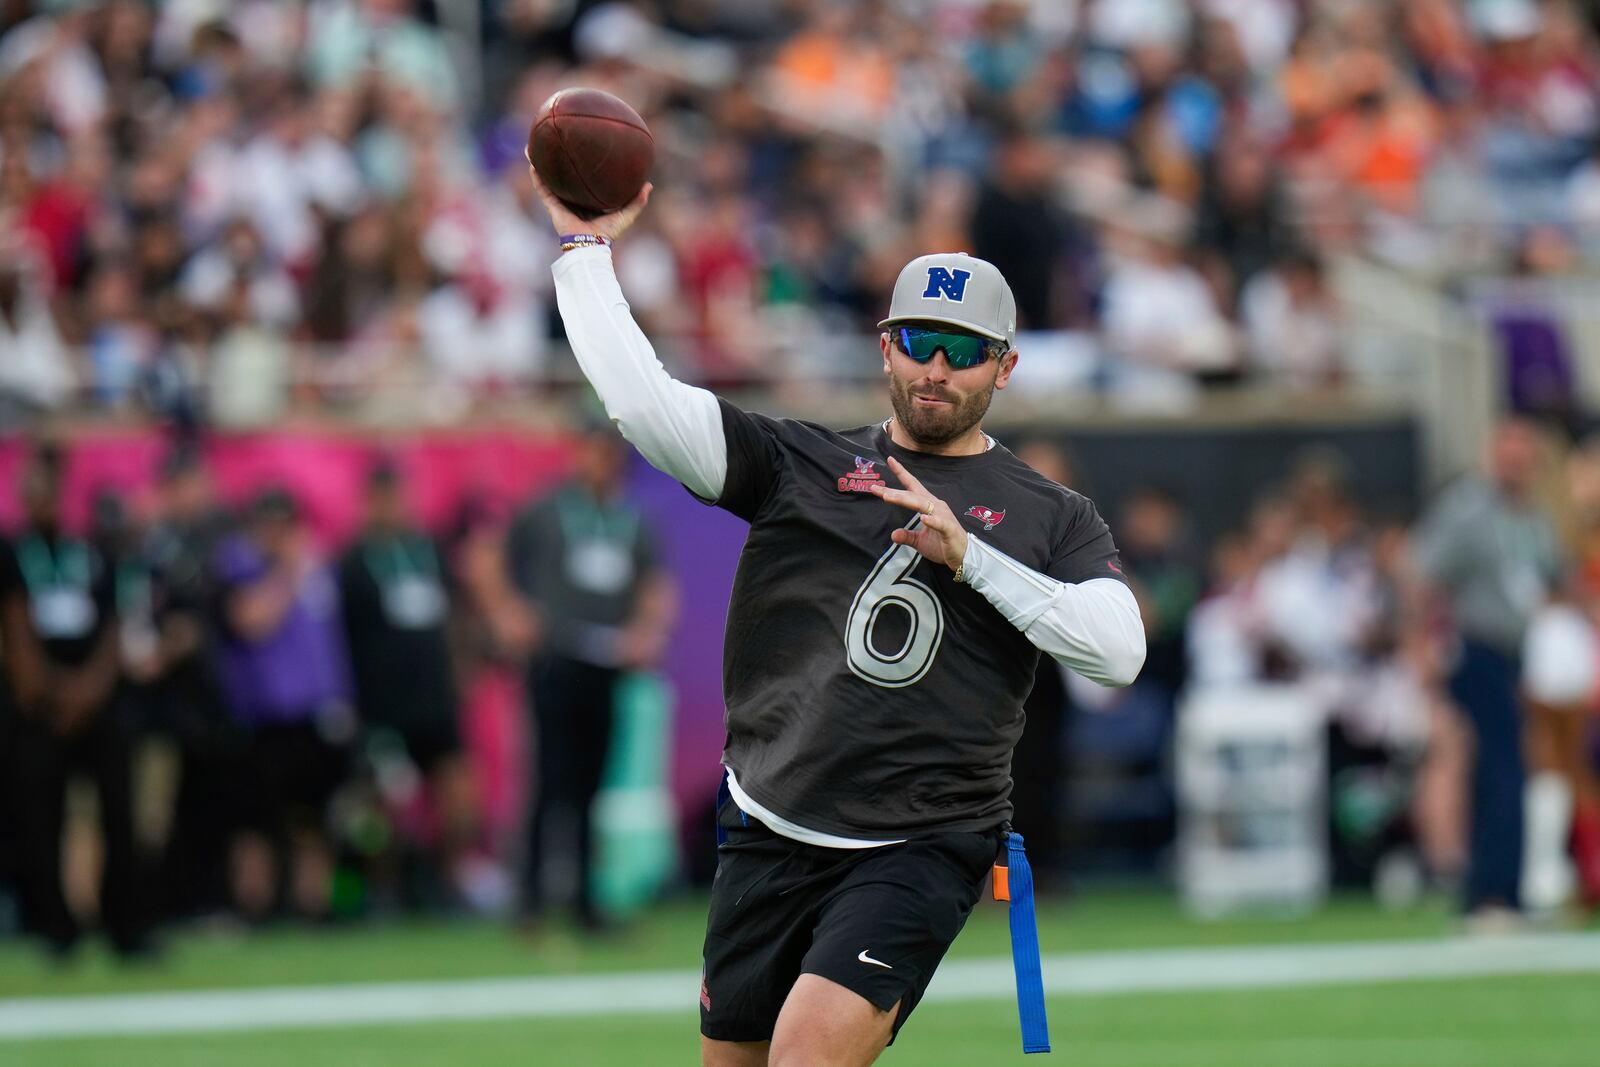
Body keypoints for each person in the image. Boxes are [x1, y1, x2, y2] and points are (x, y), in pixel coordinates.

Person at [528, 173, 1144, 1065]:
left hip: (920, 838)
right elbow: (644, 404)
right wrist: (586, 251)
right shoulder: (802, 462)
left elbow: (1118, 649)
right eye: (919, 342)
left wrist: (972, 557)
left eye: (963, 350)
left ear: (1005, 366)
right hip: (771, 819)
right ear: (885, 345)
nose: (936, 368)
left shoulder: (1052, 513)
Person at [507, 417, 676, 931]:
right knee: (549, 782)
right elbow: (489, 558)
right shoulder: (547, 510)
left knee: (591, 786)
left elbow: (654, 585)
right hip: (556, 657)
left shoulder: (633, 518)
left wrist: (646, 632)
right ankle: (531, 901)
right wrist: (510, 615)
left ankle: (584, 900)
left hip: (606, 662)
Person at [1412, 419, 1562, 923]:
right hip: (1477, 651)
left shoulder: (1529, 515)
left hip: (1520, 655)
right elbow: (1423, 574)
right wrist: (1422, 649)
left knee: (1513, 769)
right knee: (1499, 771)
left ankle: (1504, 889)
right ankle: (1491, 893)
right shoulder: (1468, 510)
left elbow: (1550, 574)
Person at [4, 443, 150, 956]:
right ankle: (54, 928)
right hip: (34, 707)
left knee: (119, 813)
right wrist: (44, 689)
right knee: (41, 817)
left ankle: (126, 927)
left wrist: (88, 689)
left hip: (98, 703)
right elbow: (13, 625)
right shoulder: (11, 551)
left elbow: (112, 624)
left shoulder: (92, 551)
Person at [338, 457, 475, 908]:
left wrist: (462, 669)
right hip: (384, 704)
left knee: (456, 796)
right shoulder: (353, 563)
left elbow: (454, 615)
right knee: (384, 803)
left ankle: (446, 882)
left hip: (435, 699)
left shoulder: (430, 551)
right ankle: (385, 889)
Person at [212, 487, 354, 920]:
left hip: (315, 713)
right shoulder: (238, 563)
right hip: (263, 717)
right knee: (256, 820)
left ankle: (315, 906)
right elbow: (251, 621)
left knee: (315, 818)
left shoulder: (319, 569)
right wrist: (288, 574)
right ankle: (253, 907)